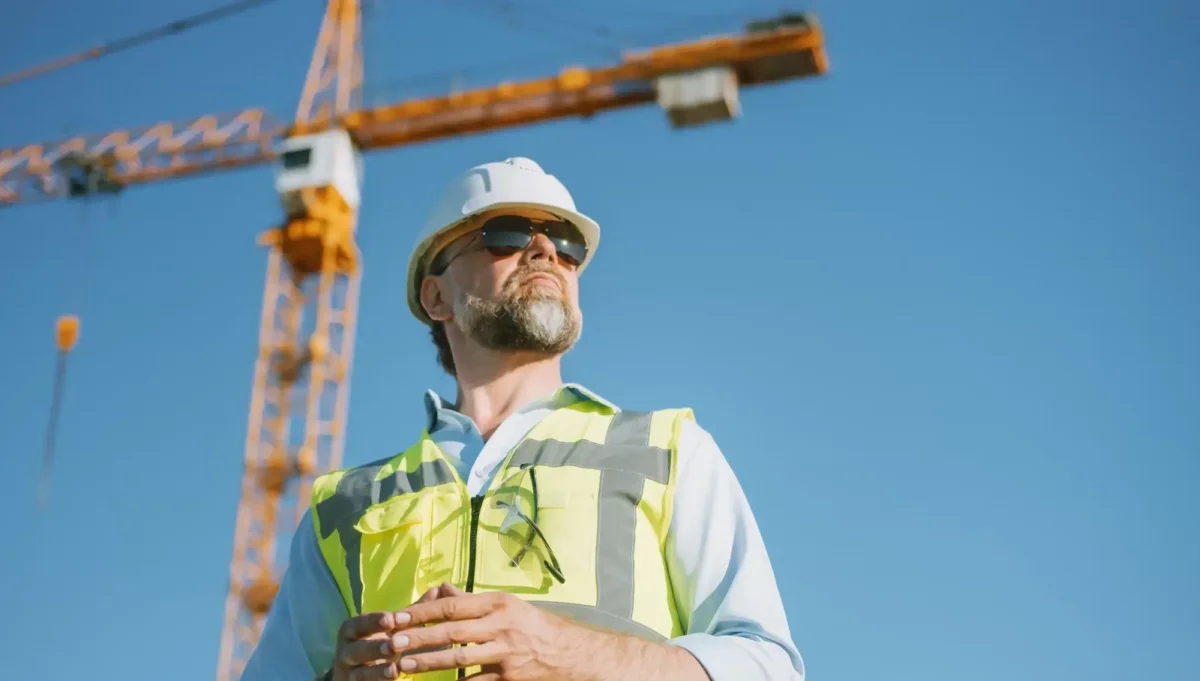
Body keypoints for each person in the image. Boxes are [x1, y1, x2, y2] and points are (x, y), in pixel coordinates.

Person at [239, 157, 802, 681]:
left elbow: (767, 666)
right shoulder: (342, 508)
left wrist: (562, 650)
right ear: (436, 297)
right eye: (506, 234)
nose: (546, 252)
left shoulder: (668, 450)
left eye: (566, 245)